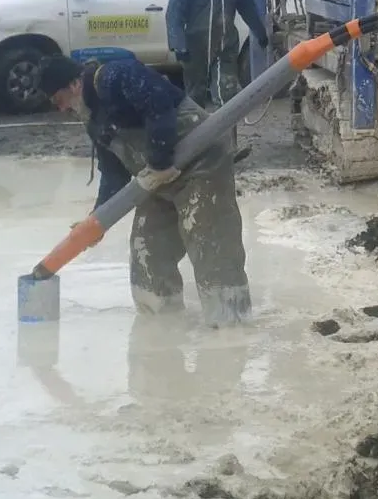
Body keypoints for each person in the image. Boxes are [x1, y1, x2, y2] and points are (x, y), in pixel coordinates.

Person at [37, 53, 251, 325]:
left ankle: (230, 328)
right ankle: (159, 332)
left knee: (211, 246)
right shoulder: (92, 119)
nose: (60, 108)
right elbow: (113, 174)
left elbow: (158, 104)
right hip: (155, 181)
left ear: (73, 84)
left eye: (58, 99)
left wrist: (159, 163)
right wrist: (97, 219)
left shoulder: (113, 77)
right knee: (147, 254)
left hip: (200, 163)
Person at [167, 0, 270, 111]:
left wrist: (259, 32)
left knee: (227, 96)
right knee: (195, 97)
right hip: (195, 50)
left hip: (225, 47)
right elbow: (174, 15)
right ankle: (197, 138)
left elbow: (247, 7)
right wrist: (179, 45)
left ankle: (229, 138)